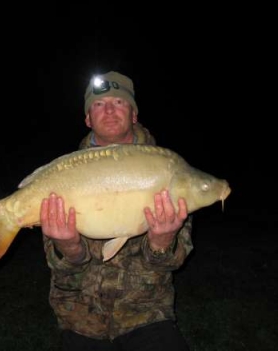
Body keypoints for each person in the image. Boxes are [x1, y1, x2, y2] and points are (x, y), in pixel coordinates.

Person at [40, 71, 193, 351]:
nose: (109, 109)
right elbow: (58, 265)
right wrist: (69, 249)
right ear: (88, 118)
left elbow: (176, 260)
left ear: (134, 114)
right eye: (98, 104)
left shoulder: (165, 169)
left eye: (119, 102)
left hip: (147, 314)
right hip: (80, 316)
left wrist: (161, 243)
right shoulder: (64, 173)